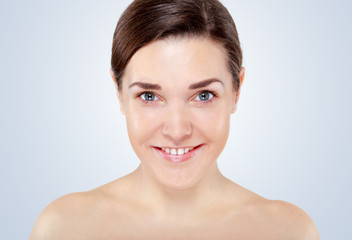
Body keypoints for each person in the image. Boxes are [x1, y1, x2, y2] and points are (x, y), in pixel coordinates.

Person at [30, 0, 320, 239]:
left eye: (204, 95)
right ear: (119, 94)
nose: (178, 130)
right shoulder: (63, 228)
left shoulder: (289, 231)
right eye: (149, 96)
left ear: (237, 91)